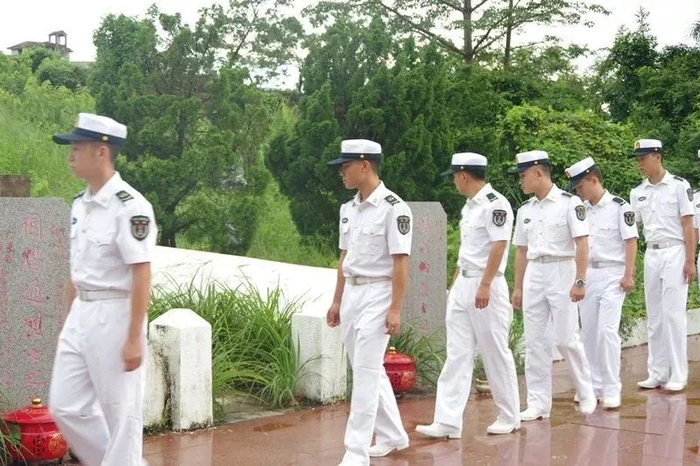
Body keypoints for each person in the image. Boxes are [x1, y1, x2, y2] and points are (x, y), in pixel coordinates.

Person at [48, 113, 156, 466]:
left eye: (77, 148)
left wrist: (133, 337)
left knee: (121, 414)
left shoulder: (131, 207)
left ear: (101, 151)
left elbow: (141, 272)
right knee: (65, 406)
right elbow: (76, 269)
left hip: (116, 313)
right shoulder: (80, 204)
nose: (70, 155)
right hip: (82, 312)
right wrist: (68, 320)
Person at [416, 152, 520, 439]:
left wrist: (484, 284)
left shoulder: (495, 204)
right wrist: (455, 284)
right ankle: (448, 420)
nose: (453, 182)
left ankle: (510, 415)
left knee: (494, 351)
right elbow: (467, 251)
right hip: (464, 283)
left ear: (464, 175)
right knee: (457, 354)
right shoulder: (469, 206)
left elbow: (499, 245)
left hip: (487, 284)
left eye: (454, 177)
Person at [326, 139, 413, 465]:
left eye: (345, 166)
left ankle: (355, 452)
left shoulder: (394, 208)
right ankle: (393, 434)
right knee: (368, 369)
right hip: (352, 293)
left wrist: (395, 308)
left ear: (364, 166)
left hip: (379, 294)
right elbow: (344, 258)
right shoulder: (347, 209)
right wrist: (337, 301)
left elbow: (400, 263)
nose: (341, 173)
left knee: (364, 374)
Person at [510, 150, 597, 420]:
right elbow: (521, 250)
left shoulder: (569, 203)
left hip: (562, 268)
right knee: (535, 341)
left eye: (523, 175)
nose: (520, 181)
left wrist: (580, 280)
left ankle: (586, 392)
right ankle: (538, 403)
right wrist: (518, 287)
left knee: (566, 337)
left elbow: (582, 243)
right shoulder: (525, 210)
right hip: (535, 271)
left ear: (538, 173)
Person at [564, 157, 638, 409]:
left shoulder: (620, 207)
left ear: (593, 180)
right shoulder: (581, 210)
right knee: (589, 332)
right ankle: (593, 386)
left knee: (607, 331)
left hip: (613, 275)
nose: (578, 191)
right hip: (589, 275)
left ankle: (611, 388)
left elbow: (631, 241)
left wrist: (628, 274)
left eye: (580, 186)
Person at [630, 139, 695, 392]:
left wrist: (689, 260)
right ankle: (657, 372)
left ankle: (678, 373)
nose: (640, 164)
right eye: (638, 159)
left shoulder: (679, 186)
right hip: (652, 253)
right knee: (655, 315)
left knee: (673, 314)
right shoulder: (638, 192)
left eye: (643, 158)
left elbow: (688, 225)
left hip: (675, 251)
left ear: (657, 157)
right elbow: (633, 229)